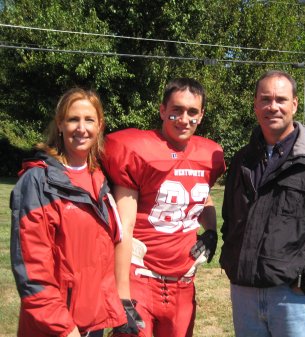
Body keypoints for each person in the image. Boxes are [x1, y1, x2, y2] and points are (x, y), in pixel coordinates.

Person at [219, 70, 305, 337]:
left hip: (293, 299)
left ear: (294, 104)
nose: (273, 106)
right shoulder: (241, 160)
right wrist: (232, 264)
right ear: (255, 105)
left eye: (281, 99)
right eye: (265, 99)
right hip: (244, 294)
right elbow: (231, 220)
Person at [9, 88, 144, 337]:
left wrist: (117, 307)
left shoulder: (99, 177)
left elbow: (99, 260)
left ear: (100, 125)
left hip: (92, 323)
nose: (81, 128)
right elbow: (32, 271)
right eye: (73, 119)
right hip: (55, 327)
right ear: (60, 124)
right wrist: (65, 328)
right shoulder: (38, 181)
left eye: (89, 120)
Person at [102, 77, 226, 337]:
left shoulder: (207, 154)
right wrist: (122, 296)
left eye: (192, 112)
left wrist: (212, 230)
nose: (184, 119)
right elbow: (124, 225)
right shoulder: (138, 149)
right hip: (141, 277)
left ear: (201, 115)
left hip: (183, 281)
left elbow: (203, 196)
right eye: (176, 110)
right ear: (162, 110)